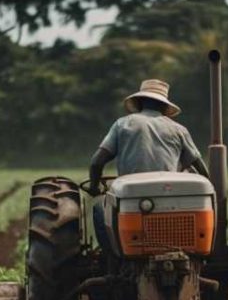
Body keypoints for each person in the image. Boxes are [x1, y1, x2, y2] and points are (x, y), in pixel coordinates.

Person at [85, 79, 209, 248]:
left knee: (100, 210)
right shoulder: (178, 130)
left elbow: (96, 163)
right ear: (165, 107)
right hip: (171, 200)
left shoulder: (123, 124)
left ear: (139, 102)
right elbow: (201, 169)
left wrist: (93, 187)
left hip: (131, 199)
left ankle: (112, 262)